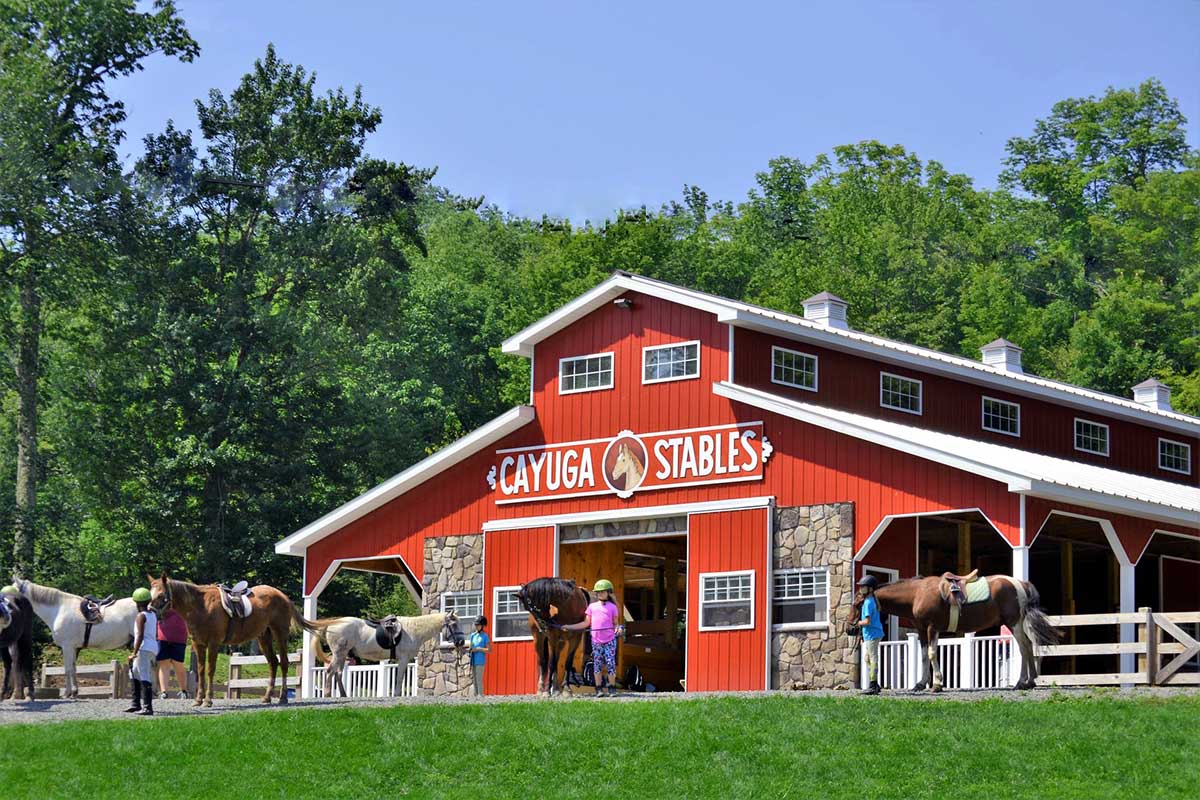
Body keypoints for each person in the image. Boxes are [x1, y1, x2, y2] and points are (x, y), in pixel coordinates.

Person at [562, 579, 625, 697]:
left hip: (610, 640)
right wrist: (569, 627)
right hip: (596, 641)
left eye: (603, 591)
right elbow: (586, 623)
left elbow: (616, 623)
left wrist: (618, 628)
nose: (600, 594)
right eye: (598, 592)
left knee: (610, 664)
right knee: (597, 664)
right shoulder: (592, 607)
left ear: (608, 592)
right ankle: (599, 689)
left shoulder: (612, 607)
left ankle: (611, 688)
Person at [125, 587, 159, 715]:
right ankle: (135, 704)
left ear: (136, 603)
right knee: (133, 673)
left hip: (143, 648)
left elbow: (139, 635)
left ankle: (147, 707)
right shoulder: (153, 614)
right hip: (152, 647)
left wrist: (134, 652)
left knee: (144, 675)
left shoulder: (141, 616)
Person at [852, 575, 884, 695]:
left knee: (872, 657)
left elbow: (867, 622)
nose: (861, 588)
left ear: (870, 589)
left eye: (863, 586)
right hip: (871, 634)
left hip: (872, 634)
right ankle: (875, 683)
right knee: (867, 658)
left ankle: (873, 684)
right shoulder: (871, 600)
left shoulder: (868, 603)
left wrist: (857, 623)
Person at [156, 606, 190, 699]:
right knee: (164, 664)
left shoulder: (182, 601)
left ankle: (183, 690)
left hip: (179, 636)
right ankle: (164, 692)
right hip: (162, 636)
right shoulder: (160, 602)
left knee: (178, 664)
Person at [468, 615, 490, 697]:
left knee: (479, 679)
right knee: (474, 679)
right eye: (476, 625)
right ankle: (475, 695)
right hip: (473, 660)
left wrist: (478, 649)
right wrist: (470, 649)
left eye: (478, 625)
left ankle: (481, 695)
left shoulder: (485, 636)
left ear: (482, 625)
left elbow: (489, 650)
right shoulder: (472, 635)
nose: (476, 626)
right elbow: (471, 646)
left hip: (480, 661)